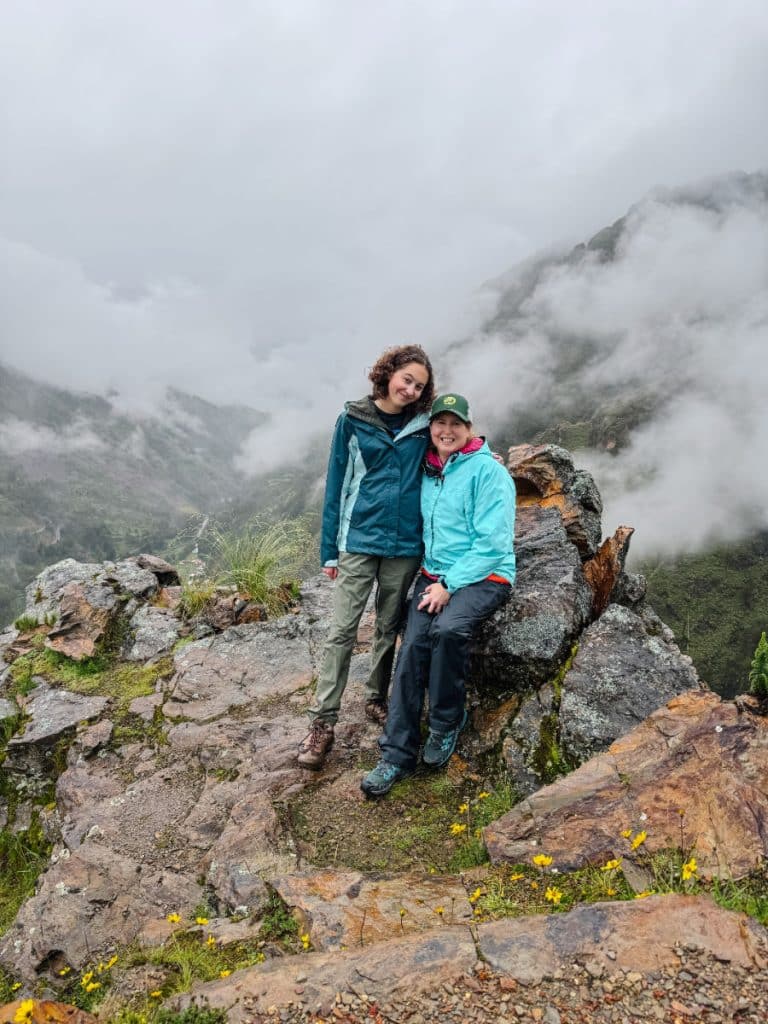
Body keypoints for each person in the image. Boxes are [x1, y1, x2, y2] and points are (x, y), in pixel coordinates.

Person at [361, 393, 516, 797]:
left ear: (469, 428)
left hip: (486, 575)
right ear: (431, 428)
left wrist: (449, 586)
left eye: (456, 424)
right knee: (412, 646)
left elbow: (493, 545)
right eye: (439, 424)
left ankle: (447, 721)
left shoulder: (489, 473)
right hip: (434, 574)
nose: (447, 431)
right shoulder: (427, 468)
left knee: (447, 631)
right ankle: (395, 754)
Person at [297, 345, 436, 769]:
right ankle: (322, 722)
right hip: (358, 540)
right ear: (388, 373)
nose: (411, 389)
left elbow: (455, 447)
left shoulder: (423, 425)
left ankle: (376, 697)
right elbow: (337, 483)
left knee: (388, 627)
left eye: (420, 385)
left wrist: (487, 456)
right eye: (406, 379)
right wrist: (328, 550)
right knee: (342, 631)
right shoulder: (353, 419)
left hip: (405, 544)